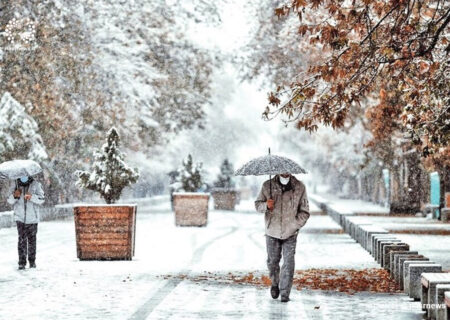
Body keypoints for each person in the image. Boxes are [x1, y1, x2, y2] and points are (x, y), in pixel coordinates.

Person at [255, 173, 310, 302]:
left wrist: (295, 225)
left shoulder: (300, 187)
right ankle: (275, 283)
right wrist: (266, 206)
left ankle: (285, 293)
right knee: (273, 261)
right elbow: (257, 205)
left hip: (290, 232)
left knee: (289, 263)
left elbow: (305, 211)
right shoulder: (267, 185)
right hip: (272, 231)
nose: (284, 172)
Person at [7, 175, 45, 270]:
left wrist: (32, 197)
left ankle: (32, 262)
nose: (23, 177)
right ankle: (22, 262)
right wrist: (15, 196)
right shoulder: (15, 184)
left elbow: (42, 199)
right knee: (21, 241)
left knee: (32, 241)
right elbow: (9, 200)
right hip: (20, 218)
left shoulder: (36, 184)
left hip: (32, 218)